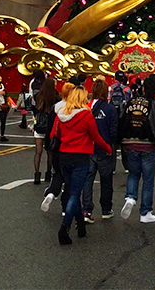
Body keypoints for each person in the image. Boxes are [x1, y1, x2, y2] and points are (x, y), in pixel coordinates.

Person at [50, 86, 112, 245]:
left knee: (72, 190)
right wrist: (107, 148)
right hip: (81, 157)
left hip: (64, 156)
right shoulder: (86, 116)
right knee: (74, 193)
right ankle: (64, 227)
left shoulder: (61, 115)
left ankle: (81, 224)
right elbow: (96, 137)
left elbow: (53, 135)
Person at [119, 74, 155, 223]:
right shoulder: (154, 104)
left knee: (133, 174)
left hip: (130, 143)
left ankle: (130, 197)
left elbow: (122, 119)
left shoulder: (131, 101)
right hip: (148, 145)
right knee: (148, 180)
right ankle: (145, 212)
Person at [82, 78, 117, 223]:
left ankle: (87, 209)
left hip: (88, 148)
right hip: (105, 148)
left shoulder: (87, 107)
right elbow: (114, 131)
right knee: (106, 179)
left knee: (88, 180)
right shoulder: (110, 109)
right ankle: (106, 208)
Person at [41, 81, 75, 212]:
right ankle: (65, 207)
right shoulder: (75, 108)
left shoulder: (56, 107)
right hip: (70, 146)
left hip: (56, 146)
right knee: (70, 178)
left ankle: (51, 192)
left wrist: (48, 144)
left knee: (58, 173)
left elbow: (50, 128)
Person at [33, 77, 60, 184]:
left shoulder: (38, 96)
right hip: (50, 126)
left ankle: (36, 174)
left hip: (39, 125)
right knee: (50, 152)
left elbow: (34, 109)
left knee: (38, 152)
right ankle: (48, 173)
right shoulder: (55, 97)